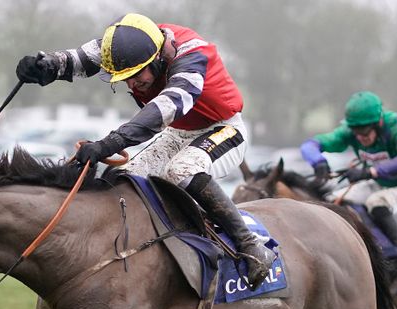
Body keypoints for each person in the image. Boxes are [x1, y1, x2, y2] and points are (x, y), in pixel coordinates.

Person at [15, 13, 274, 289]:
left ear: (158, 59)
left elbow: (163, 111)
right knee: (124, 178)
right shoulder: (126, 44)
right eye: (123, 79)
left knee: (182, 171)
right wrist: (45, 66)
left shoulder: (192, 56)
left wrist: (107, 145)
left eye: (136, 75)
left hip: (224, 129)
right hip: (179, 131)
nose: (131, 85)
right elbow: (79, 59)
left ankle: (251, 247)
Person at [300, 91, 397, 288]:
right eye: (356, 132)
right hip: (380, 185)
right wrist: (318, 162)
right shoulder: (350, 131)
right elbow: (310, 144)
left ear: (378, 122)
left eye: (365, 131)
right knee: (331, 200)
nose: (361, 137)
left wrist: (371, 171)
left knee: (376, 202)